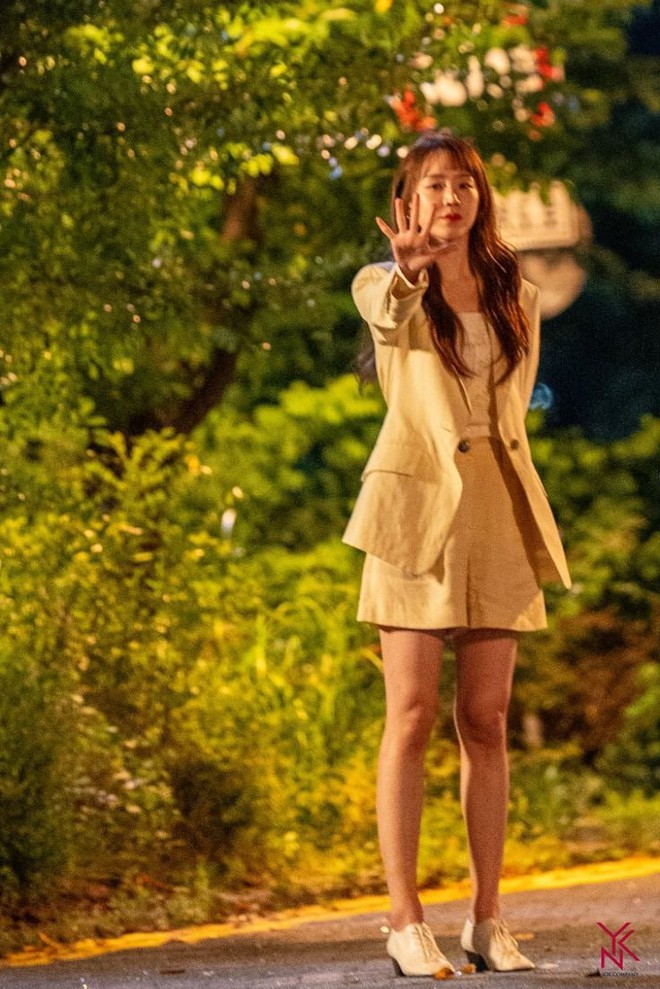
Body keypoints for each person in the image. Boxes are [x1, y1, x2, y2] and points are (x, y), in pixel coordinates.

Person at [342, 131, 571, 978]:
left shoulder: (519, 293)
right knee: (409, 714)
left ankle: (485, 917)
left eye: (464, 184)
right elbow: (388, 312)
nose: (451, 198)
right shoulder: (383, 284)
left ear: (481, 197)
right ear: (408, 201)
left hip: (497, 512)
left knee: (486, 719)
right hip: (414, 512)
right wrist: (409, 273)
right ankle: (405, 920)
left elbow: (510, 415)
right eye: (435, 185)